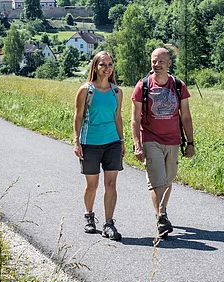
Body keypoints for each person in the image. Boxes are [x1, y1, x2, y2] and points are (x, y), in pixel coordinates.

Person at [131, 48, 195, 238]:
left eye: (160, 61)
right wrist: (137, 144)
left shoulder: (178, 85)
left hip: (173, 139)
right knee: (157, 180)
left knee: (167, 180)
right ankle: (161, 216)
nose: (156, 64)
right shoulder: (142, 86)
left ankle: (162, 215)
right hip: (151, 139)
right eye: (153, 61)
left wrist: (190, 142)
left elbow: (186, 117)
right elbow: (135, 119)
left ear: (169, 63)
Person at [73, 51, 125, 241]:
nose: (107, 68)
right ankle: (89, 216)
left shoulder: (117, 92)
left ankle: (109, 223)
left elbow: (118, 118)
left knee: (111, 184)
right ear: (95, 67)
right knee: (92, 186)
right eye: (102, 65)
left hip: (112, 142)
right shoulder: (86, 90)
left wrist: (122, 141)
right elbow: (78, 116)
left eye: (110, 64)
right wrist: (76, 141)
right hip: (90, 143)